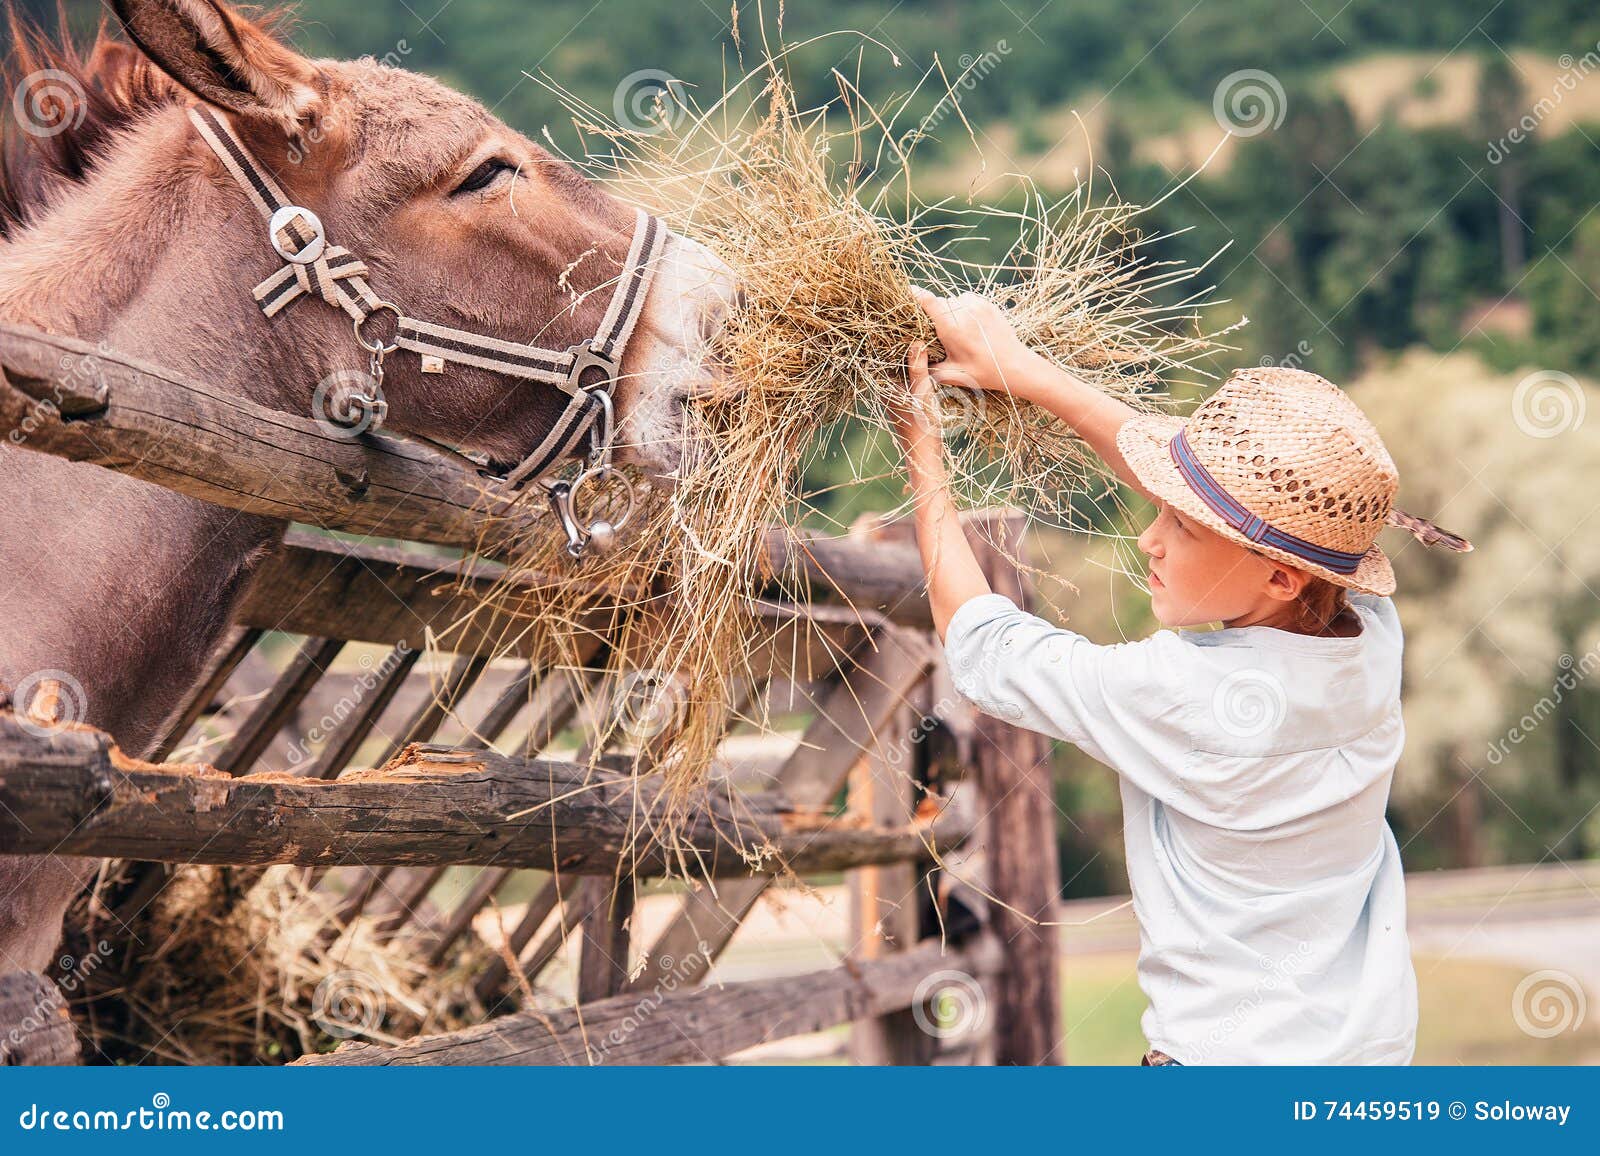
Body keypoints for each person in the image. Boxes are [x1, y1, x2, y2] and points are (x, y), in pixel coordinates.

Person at [891, 287, 1469, 1065]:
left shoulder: (1185, 695)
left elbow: (983, 643)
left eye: (1183, 527)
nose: (1149, 539)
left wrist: (921, 450)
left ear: (1279, 579)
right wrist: (1022, 372)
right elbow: (1225, 498)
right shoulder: (1370, 636)